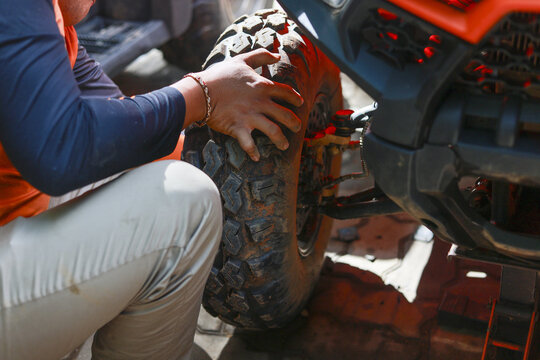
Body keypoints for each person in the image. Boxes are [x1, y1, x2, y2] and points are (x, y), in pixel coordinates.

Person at [0, 0, 304, 359]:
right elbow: (62, 150)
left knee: (148, 173)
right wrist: (202, 94)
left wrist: (237, 169)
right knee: (186, 204)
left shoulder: (54, 21)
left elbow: (123, 139)